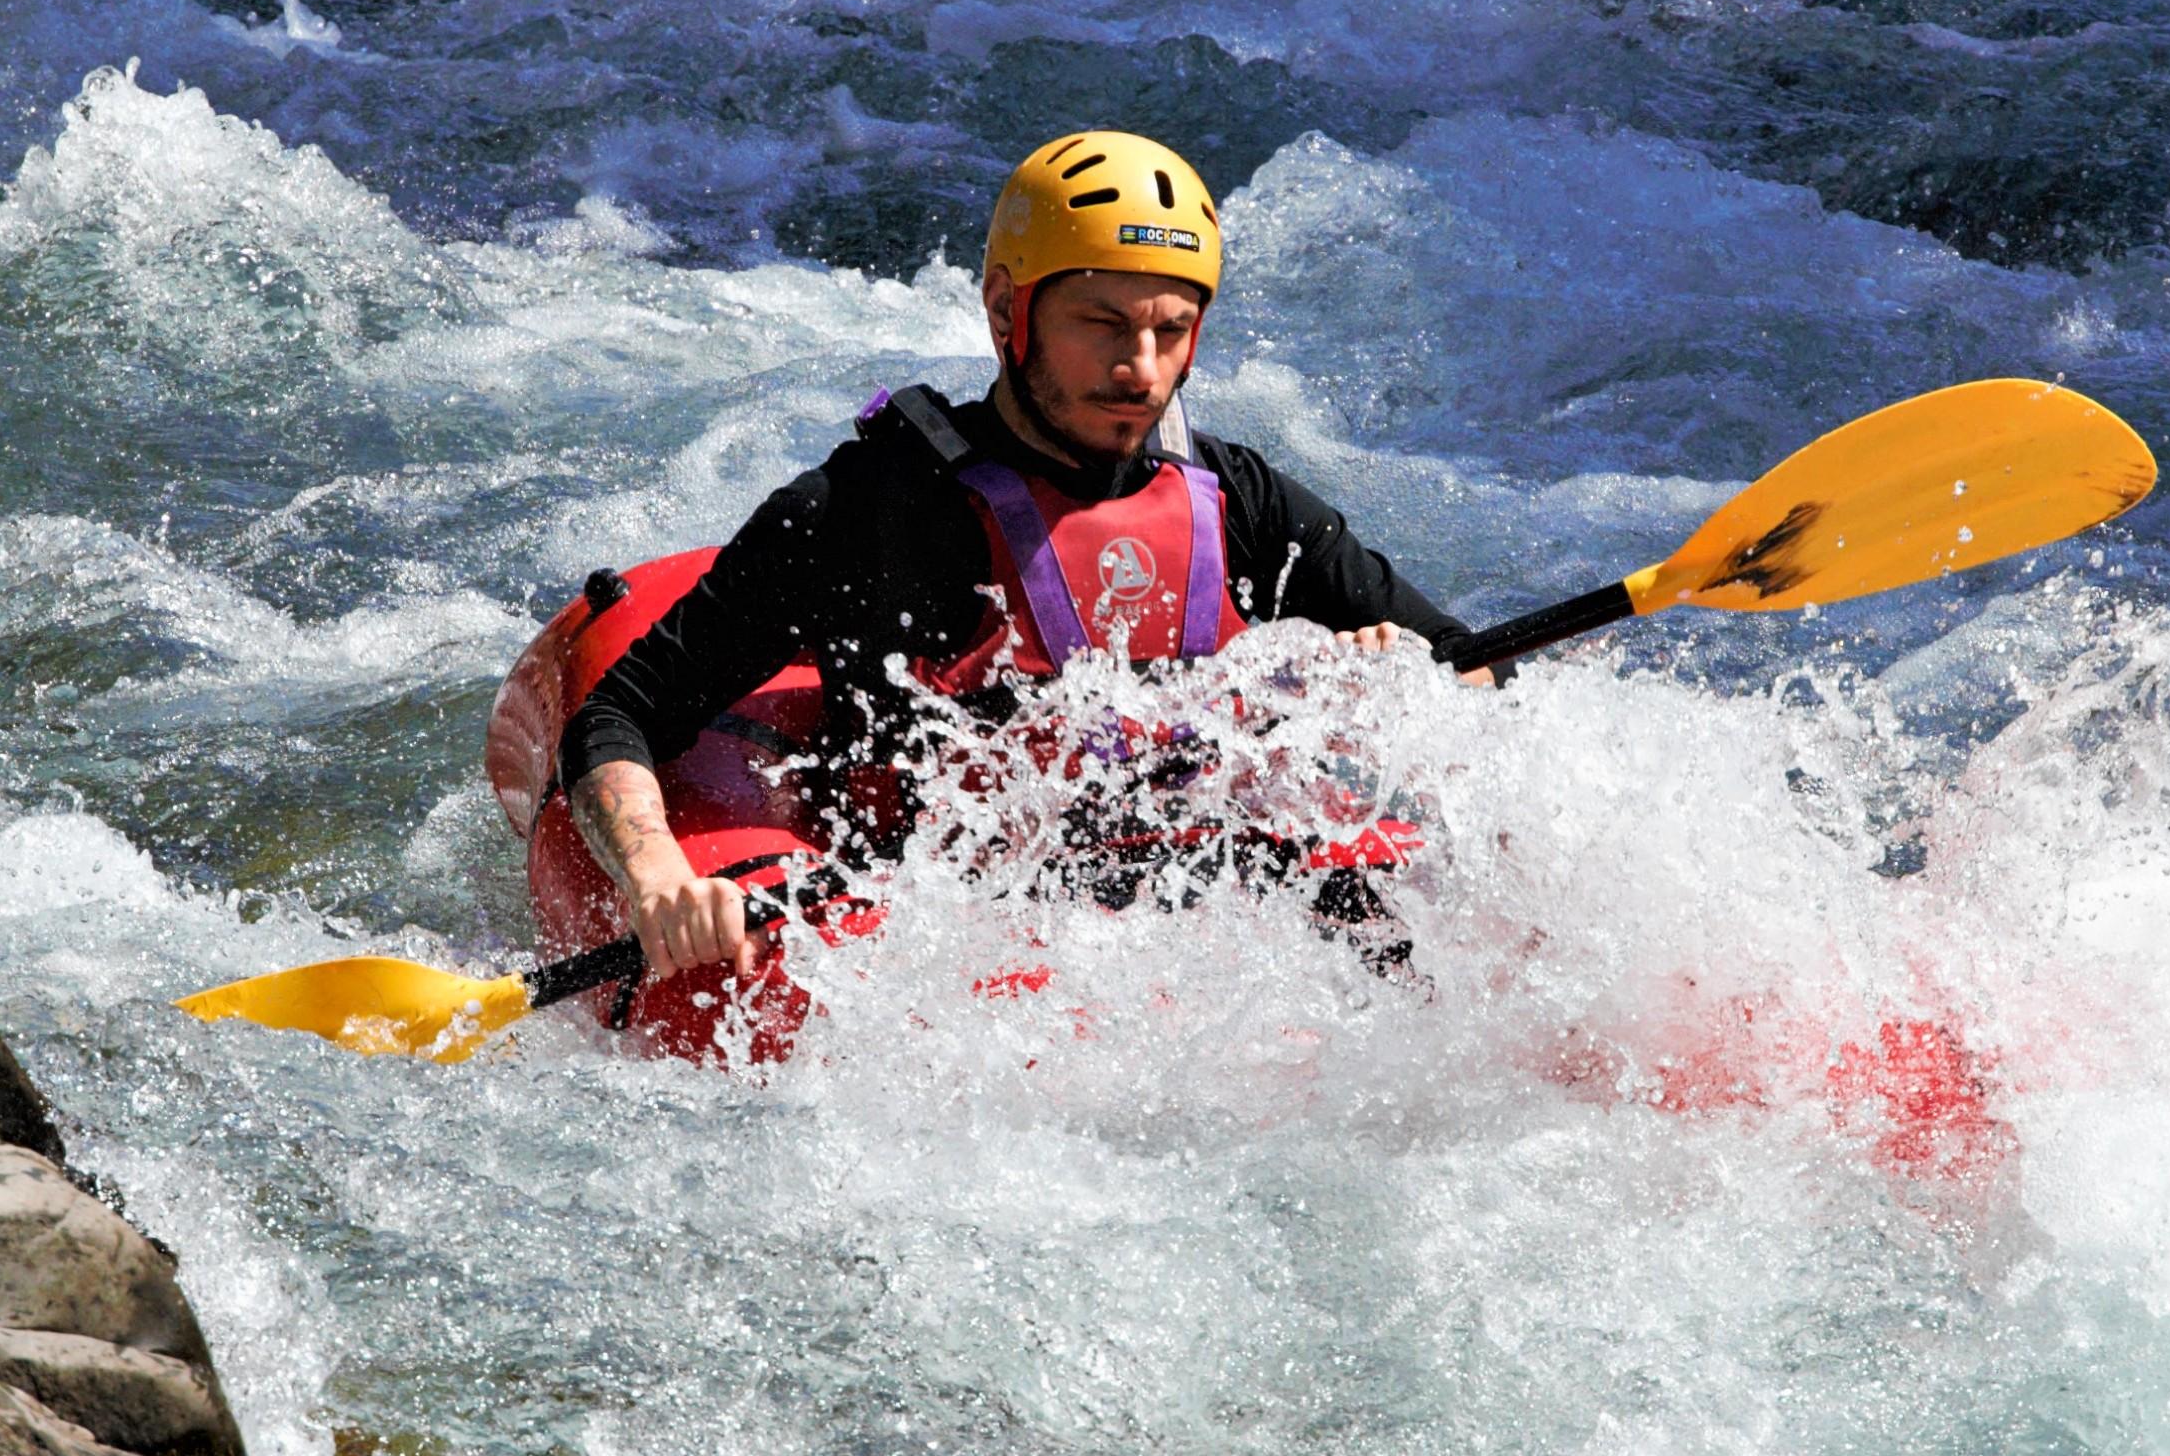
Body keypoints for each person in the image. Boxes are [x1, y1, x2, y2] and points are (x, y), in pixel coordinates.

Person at [560, 130, 1482, 986]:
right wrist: (656, 874)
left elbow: (1470, 667)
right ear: (1009, 307)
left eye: (1172, 329)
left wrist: (1394, 675)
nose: (1142, 369)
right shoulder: (872, 509)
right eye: (1104, 324)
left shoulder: (1243, 502)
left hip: (1211, 918)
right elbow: (620, 714)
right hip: (949, 939)